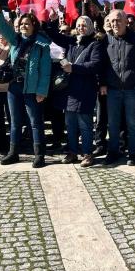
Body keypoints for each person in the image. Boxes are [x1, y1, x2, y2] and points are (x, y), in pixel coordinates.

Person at [0, 1, 51, 167]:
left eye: (27, 23)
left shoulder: (42, 45)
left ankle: (39, 155)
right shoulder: (15, 40)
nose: (24, 26)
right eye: (22, 23)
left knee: (35, 123)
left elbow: (45, 70)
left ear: (34, 25)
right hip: (14, 88)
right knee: (15, 122)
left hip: (32, 89)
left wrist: (42, 91)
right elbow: (3, 27)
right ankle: (13, 153)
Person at [44, 13, 105, 167]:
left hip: (85, 90)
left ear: (90, 27)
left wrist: (74, 68)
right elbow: (54, 36)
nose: (81, 27)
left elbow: (95, 65)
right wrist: (51, 21)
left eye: (84, 25)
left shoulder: (95, 43)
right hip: (70, 90)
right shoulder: (72, 41)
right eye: (78, 25)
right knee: (70, 123)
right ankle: (72, 152)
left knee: (85, 124)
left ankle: (87, 154)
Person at [101, 9, 135, 166]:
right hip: (112, 89)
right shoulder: (106, 40)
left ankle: (133, 153)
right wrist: (102, 83)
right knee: (113, 123)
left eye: (118, 20)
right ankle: (113, 152)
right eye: (113, 21)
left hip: (131, 89)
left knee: (133, 122)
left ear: (125, 21)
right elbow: (102, 64)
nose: (115, 23)